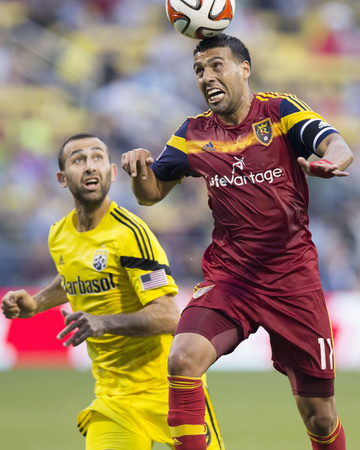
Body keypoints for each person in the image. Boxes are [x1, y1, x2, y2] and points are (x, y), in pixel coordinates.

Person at [121, 34, 353, 450]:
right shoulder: (192, 133)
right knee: (183, 358)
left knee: (320, 416)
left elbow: (335, 143)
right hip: (231, 280)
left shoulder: (280, 110)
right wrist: (140, 169)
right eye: (198, 70)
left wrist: (331, 160)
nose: (206, 77)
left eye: (216, 66)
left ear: (244, 70)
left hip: (293, 282)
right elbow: (151, 193)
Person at [1, 133, 224, 450]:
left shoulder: (130, 234)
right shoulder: (59, 234)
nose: (90, 167)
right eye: (79, 160)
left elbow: (169, 315)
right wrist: (35, 304)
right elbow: (74, 276)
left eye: (97, 158)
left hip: (168, 390)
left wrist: (104, 323)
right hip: (114, 399)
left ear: (111, 172)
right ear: (62, 179)